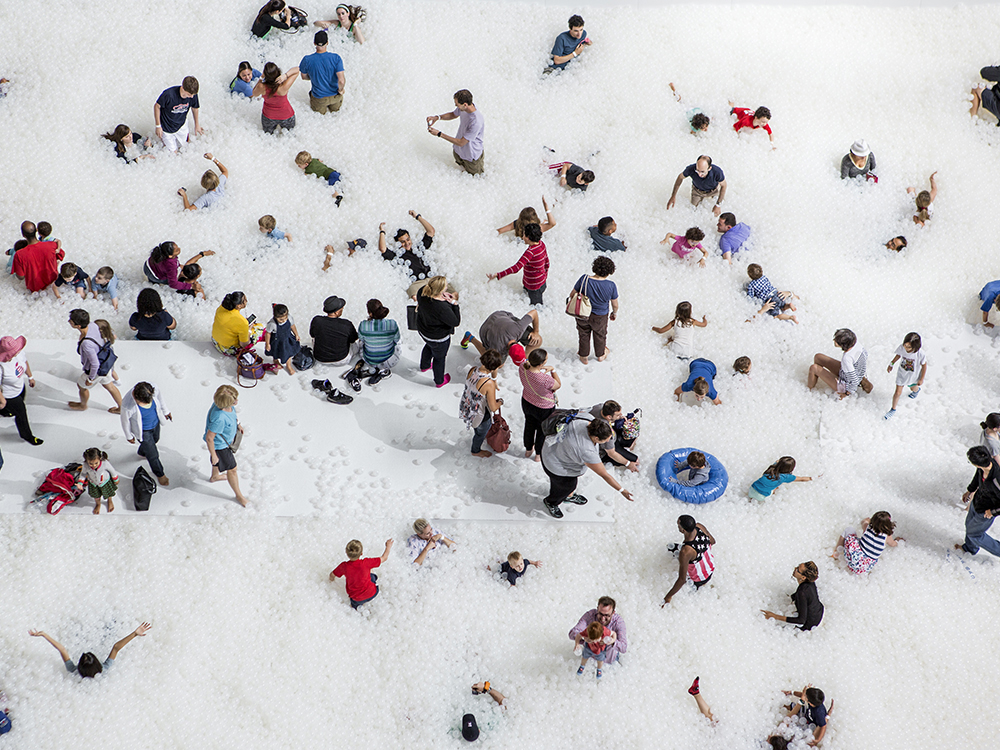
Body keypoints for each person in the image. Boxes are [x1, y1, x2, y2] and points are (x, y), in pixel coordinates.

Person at [540, 417, 633, 518]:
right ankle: (552, 502)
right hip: (556, 466)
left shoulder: (585, 422)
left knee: (570, 486)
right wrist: (622, 490)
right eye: (606, 440)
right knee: (565, 487)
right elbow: (605, 475)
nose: (608, 441)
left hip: (552, 449)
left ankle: (568, 495)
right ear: (596, 438)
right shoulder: (587, 451)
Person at [29, 622, 152, 677]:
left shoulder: (73, 672)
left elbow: (62, 650)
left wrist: (44, 635)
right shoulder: (104, 670)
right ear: (98, 664)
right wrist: (134, 634)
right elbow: (115, 648)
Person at [68, 310, 122, 413]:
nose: (69, 321)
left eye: (71, 321)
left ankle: (83, 405)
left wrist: (91, 379)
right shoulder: (93, 325)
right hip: (105, 363)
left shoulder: (87, 344)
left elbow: (95, 364)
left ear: (78, 326)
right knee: (110, 386)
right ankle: (121, 407)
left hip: (97, 369)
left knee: (81, 386)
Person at [121, 382, 172, 487]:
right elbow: (125, 421)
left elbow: (160, 399)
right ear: (135, 398)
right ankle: (160, 473)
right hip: (143, 431)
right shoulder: (128, 406)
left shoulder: (153, 389)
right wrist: (129, 436)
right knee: (153, 454)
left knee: (156, 439)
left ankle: (143, 451)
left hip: (155, 424)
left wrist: (166, 411)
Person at [205, 384, 248, 507]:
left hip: (224, 441)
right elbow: (209, 438)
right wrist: (214, 454)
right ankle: (239, 496)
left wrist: (238, 424)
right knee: (232, 469)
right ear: (225, 403)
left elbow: (233, 414)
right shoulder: (219, 418)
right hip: (221, 446)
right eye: (234, 400)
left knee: (217, 461)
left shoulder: (226, 405)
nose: (237, 401)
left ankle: (215, 476)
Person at [956, 445, 1000, 558]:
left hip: (986, 511)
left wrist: (993, 512)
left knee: (975, 534)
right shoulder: (982, 468)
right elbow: (977, 477)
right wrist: (970, 490)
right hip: (977, 502)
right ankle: (969, 549)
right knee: (969, 525)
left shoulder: (997, 480)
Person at [573, 255, 618, 365]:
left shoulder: (584, 279)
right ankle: (600, 355)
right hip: (600, 316)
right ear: (610, 271)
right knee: (600, 335)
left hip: (582, 313)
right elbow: (615, 304)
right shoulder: (611, 285)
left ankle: (583, 356)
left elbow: (572, 294)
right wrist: (614, 313)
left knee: (583, 334)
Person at [416, 276, 461, 388]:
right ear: (440, 290)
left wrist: (442, 296)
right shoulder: (442, 308)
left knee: (429, 346)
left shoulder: (422, 291)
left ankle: (425, 365)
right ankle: (439, 381)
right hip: (438, 338)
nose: (447, 287)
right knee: (439, 358)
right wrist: (455, 305)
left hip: (423, 330)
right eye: (445, 286)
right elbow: (455, 322)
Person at [427, 90, 485, 175]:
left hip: (471, 157)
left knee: (476, 178)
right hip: (458, 151)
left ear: (465, 104)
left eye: (457, 104)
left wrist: (439, 134)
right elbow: (453, 114)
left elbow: (462, 142)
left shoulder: (476, 122)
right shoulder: (464, 109)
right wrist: (437, 117)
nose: (455, 106)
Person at [489, 223, 549, 305]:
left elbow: (516, 268)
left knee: (536, 307)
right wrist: (544, 276)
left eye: (524, 235)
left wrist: (498, 275)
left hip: (533, 287)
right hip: (542, 282)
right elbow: (547, 262)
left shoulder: (530, 252)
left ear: (528, 238)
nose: (522, 237)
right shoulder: (541, 244)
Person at [459, 349, 504, 457]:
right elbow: (493, 407)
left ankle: (479, 436)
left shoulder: (472, 369)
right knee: (480, 433)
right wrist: (500, 402)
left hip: (467, 406)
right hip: (479, 414)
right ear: (494, 368)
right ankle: (476, 450)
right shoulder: (488, 383)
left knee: (478, 429)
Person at [663, 515, 715, 604]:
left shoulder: (685, 552)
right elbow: (713, 541)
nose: (677, 525)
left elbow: (682, 579)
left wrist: (667, 597)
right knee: (669, 547)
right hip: (710, 568)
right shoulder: (699, 527)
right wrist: (701, 552)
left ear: (683, 530)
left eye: (678, 525)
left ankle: (700, 587)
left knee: (687, 595)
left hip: (699, 579)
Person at [0, 335, 42, 445]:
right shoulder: (1, 367)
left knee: (18, 404)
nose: (17, 353)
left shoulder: (18, 353)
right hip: (9, 395)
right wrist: (2, 400)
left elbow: (25, 362)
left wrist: (30, 377)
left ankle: (5, 411)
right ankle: (27, 435)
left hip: (20, 387)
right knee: (21, 413)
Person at [518, 348, 560, 460]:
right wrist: (553, 370)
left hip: (527, 401)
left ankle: (528, 449)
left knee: (529, 425)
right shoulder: (545, 379)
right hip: (544, 408)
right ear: (541, 363)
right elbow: (558, 385)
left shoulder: (522, 367)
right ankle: (538, 454)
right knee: (542, 430)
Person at [807, 328, 871, 399]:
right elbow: (865, 356)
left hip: (846, 386)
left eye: (836, 341)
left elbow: (854, 381)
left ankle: (808, 390)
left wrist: (846, 393)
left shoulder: (847, 358)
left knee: (813, 368)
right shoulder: (857, 344)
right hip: (848, 373)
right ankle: (817, 377)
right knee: (818, 357)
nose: (834, 340)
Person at [376, 211, 436, 286]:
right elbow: (382, 249)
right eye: (402, 242)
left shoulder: (419, 249)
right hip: (418, 284)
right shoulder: (398, 256)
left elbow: (431, 231)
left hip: (432, 280)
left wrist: (417, 217)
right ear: (397, 243)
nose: (407, 243)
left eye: (408, 239)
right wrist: (382, 231)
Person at [330, 538, 393, 609]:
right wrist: (388, 546)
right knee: (370, 569)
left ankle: (356, 608)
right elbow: (384, 558)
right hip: (372, 593)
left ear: (346, 553)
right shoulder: (366, 563)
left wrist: (330, 580)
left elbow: (332, 575)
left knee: (353, 606)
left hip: (357, 599)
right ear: (361, 553)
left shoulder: (344, 566)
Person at [761, 562, 824, 631]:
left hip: (810, 623)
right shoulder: (810, 581)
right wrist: (792, 597)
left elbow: (801, 620)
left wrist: (774, 616)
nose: (795, 569)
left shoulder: (802, 592)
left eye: (798, 570)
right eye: (797, 566)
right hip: (819, 611)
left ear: (803, 577)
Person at [462, 310, 540, 366]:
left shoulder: (518, 329)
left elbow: (534, 312)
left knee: (537, 340)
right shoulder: (498, 348)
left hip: (501, 316)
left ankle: (525, 359)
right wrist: (494, 379)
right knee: (499, 364)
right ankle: (470, 338)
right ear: (508, 353)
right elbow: (492, 366)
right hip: (486, 329)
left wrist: (536, 332)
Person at [351, 299, 400, 386]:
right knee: (397, 339)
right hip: (390, 361)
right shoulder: (392, 324)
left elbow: (361, 339)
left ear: (370, 313)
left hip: (369, 360)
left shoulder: (363, 325)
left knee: (362, 341)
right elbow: (396, 340)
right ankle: (382, 371)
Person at [832, 512, 900, 574]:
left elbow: (863, 522)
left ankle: (836, 552)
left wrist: (866, 521)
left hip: (851, 557)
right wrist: (897, 540)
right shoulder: (887, 536)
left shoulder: (868, 527)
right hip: (863, 569)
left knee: (849, 529)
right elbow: (893, 544)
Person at [568, 597, 627, 665]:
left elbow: (624, 648)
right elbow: (572, 633)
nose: (602, 618)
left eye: (607, 615)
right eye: (600, 614)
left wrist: (612, 641)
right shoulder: (590, 615)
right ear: (597, 609)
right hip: (590, 659)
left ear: (613, 613)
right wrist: (584, 638)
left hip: (609, 661)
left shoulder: (618, 622)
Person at [144, 242, 214, 298]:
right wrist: (192, 286)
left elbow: (188, 263)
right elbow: (173, 284)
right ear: (170, 256)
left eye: (177, 246)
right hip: (153, 274)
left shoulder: (161, 252)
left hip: (147, 265)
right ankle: (154, 282)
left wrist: (202, 254)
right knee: (157, 280)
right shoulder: (172, 266)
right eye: (177, 250)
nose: (179, 249)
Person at [299, 31, 346, 113]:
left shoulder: (307, 60)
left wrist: (315, 76)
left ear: (314, 43)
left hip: (319, 99)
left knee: (319, 116)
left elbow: (304, 77)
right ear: (327, 42)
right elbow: (341, 80)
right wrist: (341, 90)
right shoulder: (336, 58)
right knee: (336, 114)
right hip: (335, 97)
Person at [884, 332, 927, 420]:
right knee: (898, 392)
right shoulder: (902, 348)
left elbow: (924, 365)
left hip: (913, 376)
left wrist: (921, 379)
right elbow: (899, 354)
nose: (906, 348)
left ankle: (916, 391)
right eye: (905, 345)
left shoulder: (920, 354)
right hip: (902, 374)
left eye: (909, 347)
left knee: (913, 388)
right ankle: (893, 409)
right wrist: (891, 363)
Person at [12, 221, 63, 293]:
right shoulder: (52, 245)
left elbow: (21, 276)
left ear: (23, 235)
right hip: (53, 285)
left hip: (34, 289)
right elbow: (61, 255)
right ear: (36, 230)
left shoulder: (19, 254)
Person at [588, 400, 639, 470]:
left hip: (613, 435)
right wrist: (628, 464)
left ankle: (629, 446)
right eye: (618, 415)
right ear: (609, 417)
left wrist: (619, 418)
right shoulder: (605, 430)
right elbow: (611, 453)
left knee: (632, 434)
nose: (620, 415)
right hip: (606, 449)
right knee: (635, 460)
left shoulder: (599, 407)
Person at [154, 76, 201, 152]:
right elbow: (157, 106)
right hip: (167, 128)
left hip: (182, 125)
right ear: (183, 88)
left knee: (185, 148)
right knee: (173, 153)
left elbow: (195, 108)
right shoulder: (168, 94)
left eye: (193, 95)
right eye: (189, 94)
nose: (192, 97)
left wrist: (197, 125)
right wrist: (158, 126)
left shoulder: (193, 95)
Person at [310, 295, 359, 365]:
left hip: (320, 359)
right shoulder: (346, 324)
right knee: (354, 345)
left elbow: (312, 334)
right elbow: (353, 339)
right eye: (341, 309)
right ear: (336, 312)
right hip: (341, 360)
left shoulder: (317, 320)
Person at [252, 63, 299, 133]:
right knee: (289, 135)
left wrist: (261, 78)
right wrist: (285, 75)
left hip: (268, 117)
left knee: (268, 137)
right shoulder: (283, 86)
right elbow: (297, 70)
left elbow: (254, 94)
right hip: (286, 115)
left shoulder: (262, 87)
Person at [212, 291, 262, 356]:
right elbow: (244, 344)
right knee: (260, 328)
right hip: (227, 349)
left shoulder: (221, 308)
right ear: (239, 306)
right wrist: (248, 329)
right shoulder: (242, 322)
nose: (246, 301)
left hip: (215, 341)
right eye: (245, 300)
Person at [749, 457, 813, 502]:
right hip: (761, 496)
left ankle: (750, 499)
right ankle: (770, 492)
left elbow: (777, 461)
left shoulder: (771, 468)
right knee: (776, 487)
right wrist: (811, 478)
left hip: (751, 489)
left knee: (767, 482)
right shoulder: (786, 477)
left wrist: (779, 462)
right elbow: (801, 479)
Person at [264, 303, 301, 375]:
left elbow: (292, 326)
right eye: (281, 319)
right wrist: (267, 344)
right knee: (275, 352)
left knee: (288, 353)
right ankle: (276, 361)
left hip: (287, 339)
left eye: (285, 318)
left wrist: (296, 334)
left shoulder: (289, 318)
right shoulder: (272, 324)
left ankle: (288, 366)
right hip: (277, 341)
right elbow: (268, 333)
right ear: (275, 317)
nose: (284, 320)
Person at [81, 447, 119, 514]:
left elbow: (112, 470)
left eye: (96, 463)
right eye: (90, 463)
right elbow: (83, 474)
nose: (93, 465)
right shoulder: (85, 465)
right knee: (96, 495)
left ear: (100, 459)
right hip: (93, 483)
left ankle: (109, 500)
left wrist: (115, 478)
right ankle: (98, 504)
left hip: (105, 482)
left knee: (109, 492)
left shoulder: (105, 463)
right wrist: (80, 483)